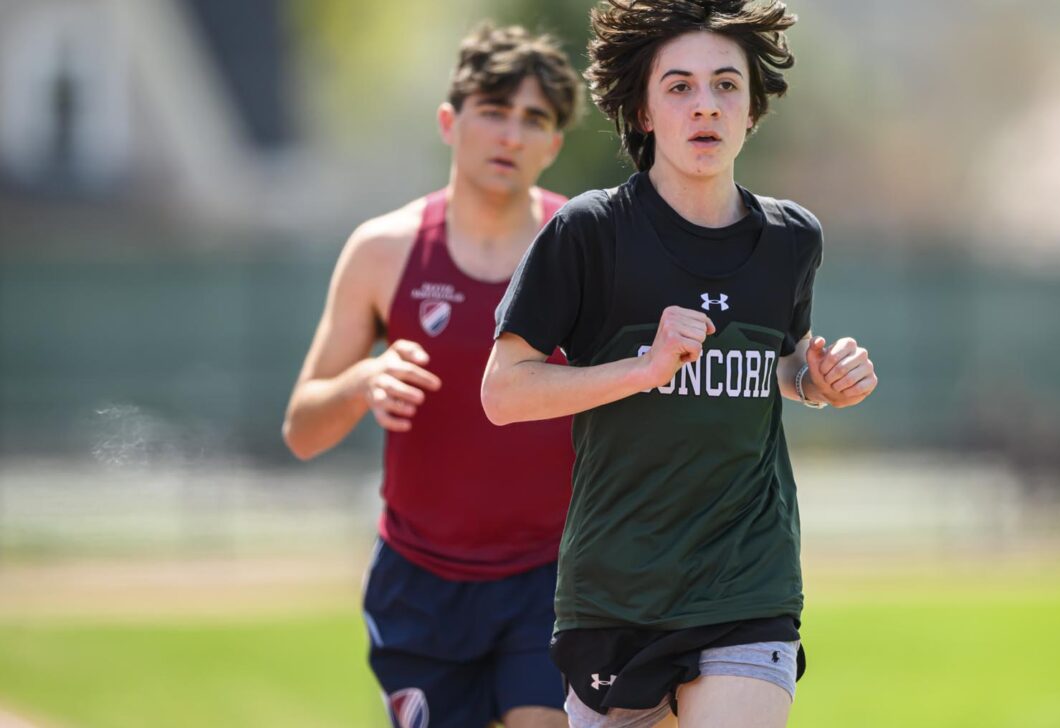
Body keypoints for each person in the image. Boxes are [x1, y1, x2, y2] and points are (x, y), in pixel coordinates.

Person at [481, 1, 878, 726]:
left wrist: (818, 382)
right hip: (615, 591)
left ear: (753, 108)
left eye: (727, 85)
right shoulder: (589, 232)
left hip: (747, 583)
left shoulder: (791, 239)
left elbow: (783, 364)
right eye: (680, 87)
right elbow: (503, 392)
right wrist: (642, 366)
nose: (706, 106)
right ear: (642, 111)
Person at [282, 23, 581, 728]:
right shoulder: (384, 252)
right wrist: (364, 380)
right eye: (493, 110)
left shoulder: (582, 251)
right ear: (450, 121)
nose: (510, 134)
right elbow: (300, 429)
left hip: (552, 575)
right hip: (419, 583)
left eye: (533, 119)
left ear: (553, 145)